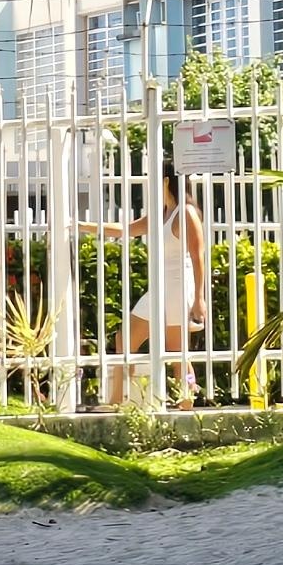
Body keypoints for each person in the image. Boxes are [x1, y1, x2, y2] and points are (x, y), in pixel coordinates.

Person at [110, 160, 214, 410]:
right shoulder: (163, 213)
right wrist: (80, 225)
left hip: (179, 288)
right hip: (159, 290)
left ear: (166, 181)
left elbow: (199, 257)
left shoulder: (186, 213)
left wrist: (199, 299)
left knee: (178, 354)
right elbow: (126, 230)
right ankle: (116, 401)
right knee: (124, 341)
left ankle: (187, 400)